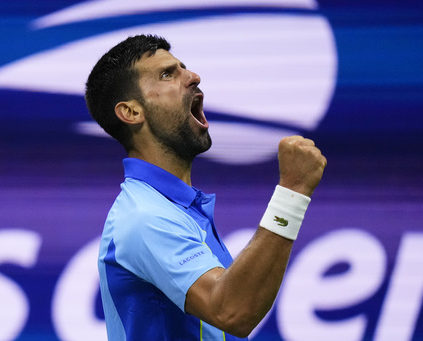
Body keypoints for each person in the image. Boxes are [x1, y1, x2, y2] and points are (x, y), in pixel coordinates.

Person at [85, 34, 327, 340]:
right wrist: (291, 193)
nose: (193, 77)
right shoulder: (145, 218)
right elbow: (232, 310)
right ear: (132, 112)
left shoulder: (175, 208)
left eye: (183, 68)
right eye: (167, 74)